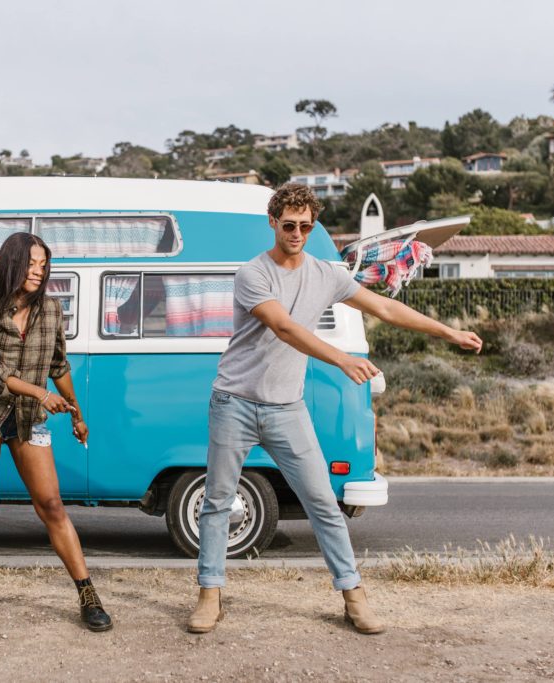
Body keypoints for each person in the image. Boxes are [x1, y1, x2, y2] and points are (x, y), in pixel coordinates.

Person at [187, 183, 483, 635]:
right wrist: (342, 358)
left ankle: (353, 595)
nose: (297, 233)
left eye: (306, 226)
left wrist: (449, 334)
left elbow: (384, 306)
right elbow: (283, 327)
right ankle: (210, 593)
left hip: (286, 407)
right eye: (289, 225)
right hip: (234, 402)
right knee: (217, 502)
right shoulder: (253, 274)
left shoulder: (327, 274)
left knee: (323, 501)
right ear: (273, 222)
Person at [0, 231, 111, 633]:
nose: (38, 272)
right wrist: (41, 394)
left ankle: (87, 594)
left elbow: (58, 364)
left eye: (43, 265)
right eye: (31, 264)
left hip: (27, 417)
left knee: (52, 506)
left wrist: (76, 412)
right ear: (12, 263)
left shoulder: (52, 310)